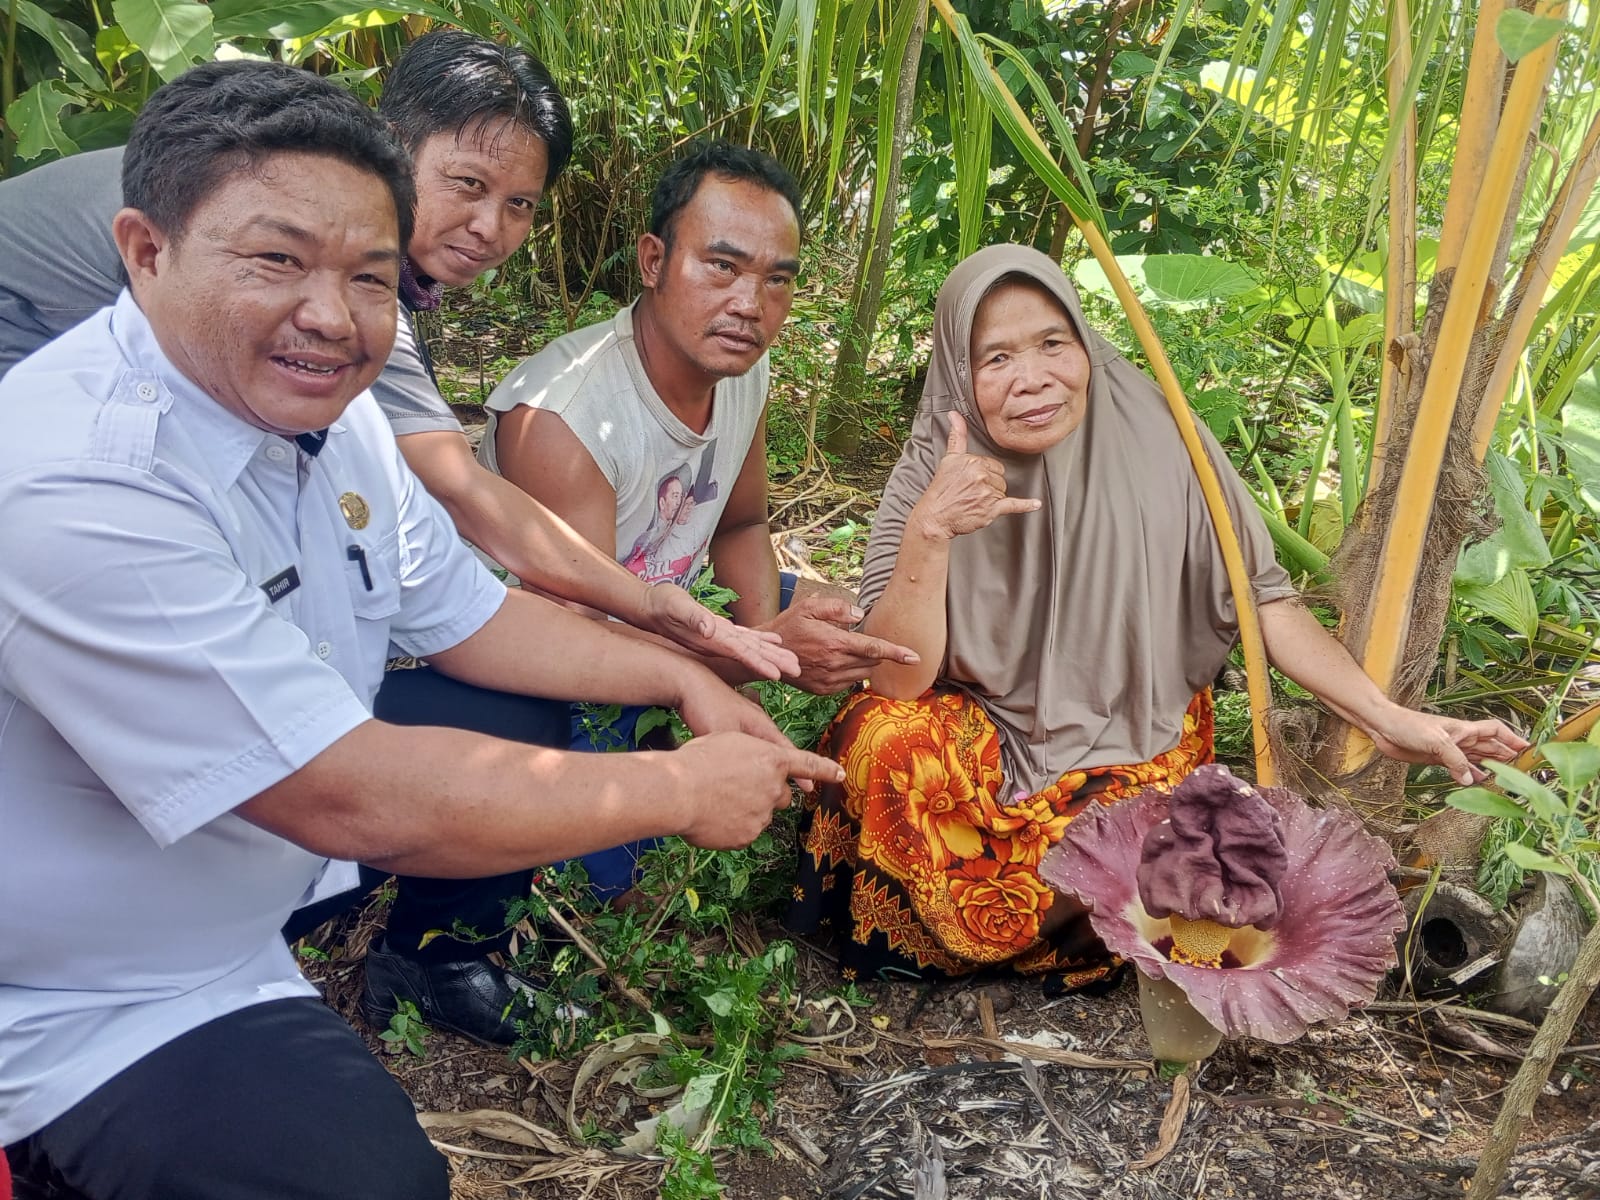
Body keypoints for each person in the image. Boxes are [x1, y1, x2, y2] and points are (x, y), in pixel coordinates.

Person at [0, 62, 841, 1200]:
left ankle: (431, 961)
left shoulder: (325, 415)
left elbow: (473, 613)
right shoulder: (79, 482)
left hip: (238, 914)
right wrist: (681, 792)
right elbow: (347, 793)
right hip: (81, 998)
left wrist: (678, 675)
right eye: (276, 261)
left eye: (368, 274)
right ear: (146, 250)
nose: (331, 314)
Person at [784, 244, 1529, 987]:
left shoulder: (1163, 436)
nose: (1033, 379)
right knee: (881, 742)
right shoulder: (930, 468)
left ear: (1084, 341)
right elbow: (896, 682)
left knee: (1174, 844)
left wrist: (1390, 719)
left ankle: (1085, 920)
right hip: (983, 738)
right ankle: (1022, 933)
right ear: (956, 370)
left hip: (1129, 742)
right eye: (996, 359)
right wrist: (933, 530)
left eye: (1053, 344)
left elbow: (1263, 596)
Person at [476, 140, 919, 895]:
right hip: (540, 659)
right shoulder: (565, 419)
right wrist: (756, 652)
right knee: (610, 880)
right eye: (722, 266)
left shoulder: (739, 366)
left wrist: (762, 654)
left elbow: (742, 525)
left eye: (776, 280)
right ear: (653, 260)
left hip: (667, 611)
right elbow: (585, 653)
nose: (750, 305)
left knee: (874, 626)